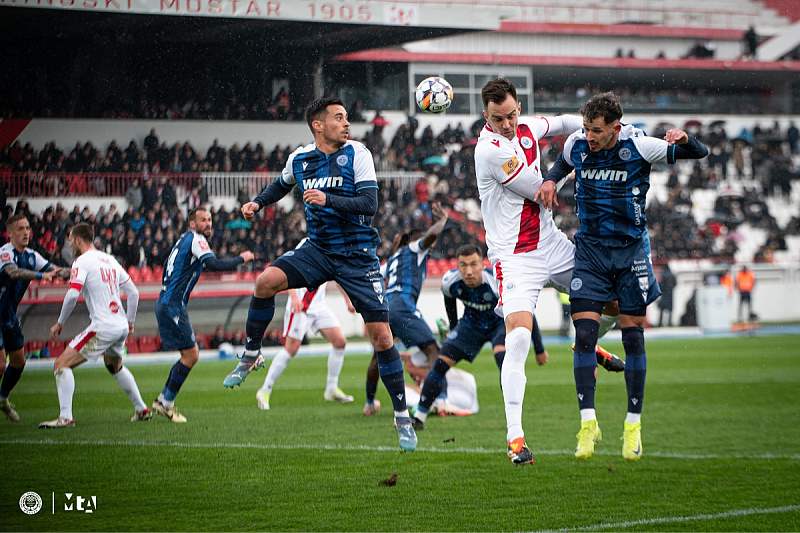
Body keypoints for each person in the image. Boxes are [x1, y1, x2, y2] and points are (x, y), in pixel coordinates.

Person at [223, 96, 418, 451]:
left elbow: (369, 205)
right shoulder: (299, 158)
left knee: (382, 339)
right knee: (264, 282)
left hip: (357, 255)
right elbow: (282, 183)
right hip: (317, 250)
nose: (347, 124)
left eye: (346, 117)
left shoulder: (358, 154)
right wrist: (259, 203)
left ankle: (402, 416)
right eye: (339, 118)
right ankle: (252, 354)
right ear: (318, 125)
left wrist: (328, 201)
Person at [537, 91, 708, 462]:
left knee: (633, 340)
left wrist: (686, 139)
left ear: (616, 127)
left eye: (596, 131)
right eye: (585, 129)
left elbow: (699, 154)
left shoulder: (640, 145)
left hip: (631, 253)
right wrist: (551, 181)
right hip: (591, 253)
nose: (589, 137)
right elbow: (561, 165)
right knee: (584, 335)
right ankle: (587, 423)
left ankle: (633, 426)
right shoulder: (577, 145)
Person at [474, 77, 621, 465]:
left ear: (518, 107)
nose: (505, 125)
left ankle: (585, 341)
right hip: (515, 257)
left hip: (550, 243)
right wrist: (588, 161)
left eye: (509, 116)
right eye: (496, 118)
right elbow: (540, 187)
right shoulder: (490, 150)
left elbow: (564, 123)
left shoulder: (526, 126)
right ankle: (515, 437)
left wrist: (600, 132)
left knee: (616, 302)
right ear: (485, 115)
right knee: (519, 339)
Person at [40, 223, 149, 427]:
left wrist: (60, 323)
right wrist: (130, 322)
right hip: (120, 325)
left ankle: (65, 417)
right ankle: (141, 409)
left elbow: (73, 294)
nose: (70, 244)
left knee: (61, 364)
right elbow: (133, 292)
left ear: (78, 240)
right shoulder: (110, 260)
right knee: (114, 366)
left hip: (103, 326)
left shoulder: (82, 261)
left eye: (71, 240)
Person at [152, 208, 254, 423]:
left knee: (189, 355)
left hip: (168, 302)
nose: (208, 223)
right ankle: (165, 403)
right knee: (191, 355)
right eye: (202, 220)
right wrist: (241, 259)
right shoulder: (196, 239)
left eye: (209, 220)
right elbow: (214, 264)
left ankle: (163, 401)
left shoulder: (184, 239)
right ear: (192, 223)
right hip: (172, 305)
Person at [363, 202, 448, 417]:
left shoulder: (391, 260)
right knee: (434, 351)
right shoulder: (414, 249)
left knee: (378, 356)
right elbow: (429, 237)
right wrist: (442, 221)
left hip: (385, 307)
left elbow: (369, 278)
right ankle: (441, 400)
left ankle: (370, 403)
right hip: (402, 305)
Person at [410, 244, 505, 429]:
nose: (468, 271)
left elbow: (524, 313)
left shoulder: (496, 282)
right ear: (458, 265)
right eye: (463, 265)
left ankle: (513, 421)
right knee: (439, 364)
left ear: (482, 264)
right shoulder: (449, 281)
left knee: (503, 359)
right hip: (470, 326)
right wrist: (454, 328)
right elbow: (449, 300)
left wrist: (539, 348)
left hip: (499, 325)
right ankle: (420, 417)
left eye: (473, 264)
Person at [256, 249, 357, 409]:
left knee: (339, 342)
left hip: (318, 306)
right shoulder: (306, 244)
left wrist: (348, 300)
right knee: (291, 350)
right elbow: (286, 270)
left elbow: (337, 278)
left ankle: (331, 388)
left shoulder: (331, 246)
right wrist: (294, 297)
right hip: (300, 306)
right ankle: (265, 389)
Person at [0, 215, 64, 421]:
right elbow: (13, 272)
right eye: (20, 228)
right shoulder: (4, 253)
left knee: (18, 363)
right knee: (1, 364)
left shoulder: (31, 255)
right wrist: (39, 276)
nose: (26, 232)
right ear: (9, 233)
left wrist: (84, 271)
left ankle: (2, 399)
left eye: (27, 228)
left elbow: (56, 270)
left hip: (9, 316)